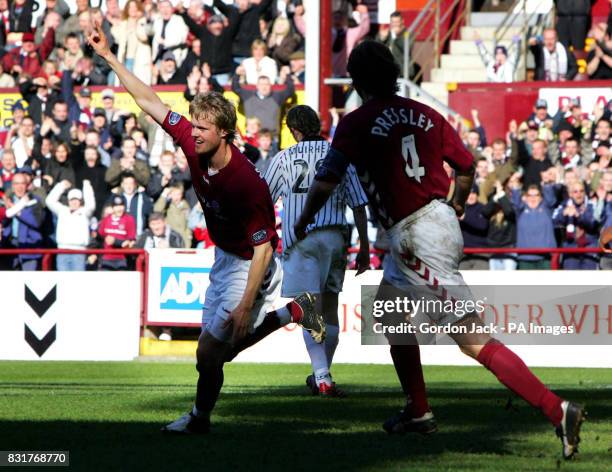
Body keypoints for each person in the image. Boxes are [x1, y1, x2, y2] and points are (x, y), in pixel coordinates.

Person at [294, 40, 584, 460]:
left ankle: (557, 408)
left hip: (415, 234)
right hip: (429, 221)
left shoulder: (355, 122)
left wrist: (303, 219)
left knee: (470, 337)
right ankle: (418, 411)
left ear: (357, 81)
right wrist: (459, 202)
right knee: (390, 314)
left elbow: (326, 180)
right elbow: (465, 167)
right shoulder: (426, 113)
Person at [87, 19, 325, 434]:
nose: (191, 133)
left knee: (212, 352)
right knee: (211, 355)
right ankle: (293, 312)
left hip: (251, 264)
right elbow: (148, 101)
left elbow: (264, 247)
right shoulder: (190, 141)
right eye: (192, 124)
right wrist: (108, 55)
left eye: (201, 128)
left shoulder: (246, 183)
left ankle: (200, 418)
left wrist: (248, 304)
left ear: (226, 134)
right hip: (224, 256)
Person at [264, 105, 369, 396]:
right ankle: (322, 375)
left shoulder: (284, 158)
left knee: (309, 309)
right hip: (336, 237)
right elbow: (359, 203)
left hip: (302, 239)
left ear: (294, 130)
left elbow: (265, 199)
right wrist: (364, 247)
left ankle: (322, 376)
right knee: (331, 310)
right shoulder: (339, 156)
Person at [45, 179, 95, 271]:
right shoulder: (62, 211)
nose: (74, 202)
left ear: (81, 201)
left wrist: (87, 186)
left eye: (77, 200)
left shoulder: (85, 212)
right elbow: (49, 201)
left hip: (79, 252)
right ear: (68, 201)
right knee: (63, 282)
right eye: (72, 200)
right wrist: (61, 186)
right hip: (62, 251)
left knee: (77, 282)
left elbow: (91, 204)